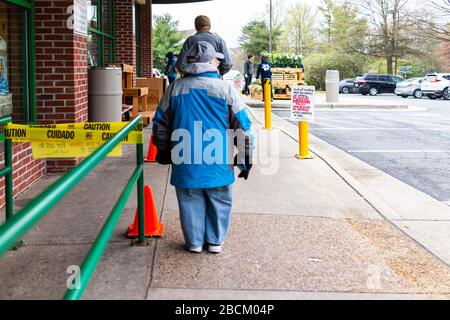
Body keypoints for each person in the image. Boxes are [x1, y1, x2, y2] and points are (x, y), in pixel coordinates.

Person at [152, 41, 253, 254]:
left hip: (184, 157)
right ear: (209, 62)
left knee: (189, 199)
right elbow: (243, 128)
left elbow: (160, 125)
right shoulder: (226, 89)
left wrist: (163, 151)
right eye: (215, 58)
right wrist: (244, 160)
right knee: (219, 199)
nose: (217, 61)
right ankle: (215, 242)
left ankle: (194, 242)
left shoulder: (175, 88)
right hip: (219, 159)